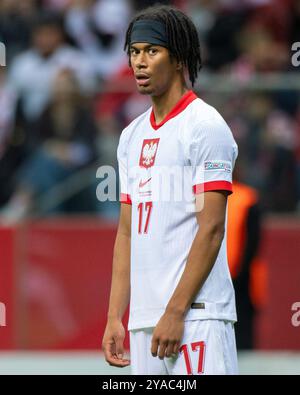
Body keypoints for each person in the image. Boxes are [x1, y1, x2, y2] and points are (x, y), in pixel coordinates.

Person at [102, 5, 239, 375]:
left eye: (152, 51)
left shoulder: (205, 126)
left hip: (197, 316)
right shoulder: (131, 136)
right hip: (145, 321)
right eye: (134, 51)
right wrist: (116, 316)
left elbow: (211, 228)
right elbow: (128, 231)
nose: (139, 62)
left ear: (178, 58)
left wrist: (176, 312)